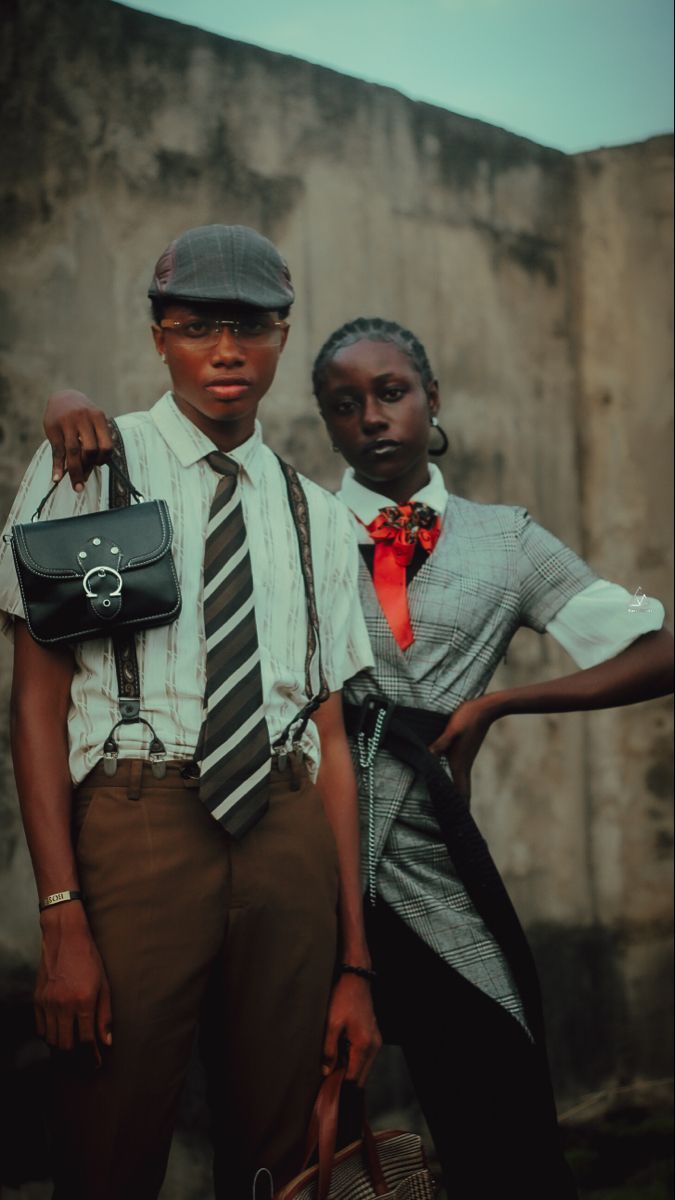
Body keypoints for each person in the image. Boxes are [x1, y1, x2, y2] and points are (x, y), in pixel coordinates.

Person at [42, 318, 673, 1198]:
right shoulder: (295, 515)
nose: (371, 418)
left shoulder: (508, 540)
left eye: (390, 393)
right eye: (344, 405)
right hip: (294, 854)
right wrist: (70, 404)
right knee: (301, 1139)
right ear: (325, 422)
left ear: (431, 400)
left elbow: (655, 651)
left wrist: (500, 702)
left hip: (426, 861)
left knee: (499, 1099)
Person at [0, 227, 381, 1200]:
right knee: (107, 1141)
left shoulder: (318, 516)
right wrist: (61, 919)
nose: (225, 349)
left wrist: (354, 962)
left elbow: (334, 741)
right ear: (160, 336)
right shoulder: (87, 463)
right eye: (198, 325)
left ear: (282, 337)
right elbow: (37, 705)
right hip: (139, 825)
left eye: (249, 326)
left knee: (282, 1155)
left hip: (288, 826)